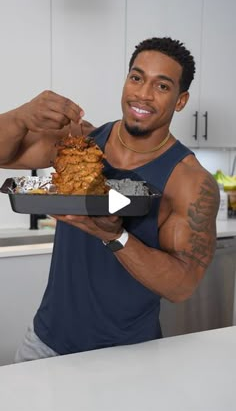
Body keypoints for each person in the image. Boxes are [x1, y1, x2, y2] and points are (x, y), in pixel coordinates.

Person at [0, 37, 219, 362]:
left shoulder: (191, 181)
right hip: (45, 343)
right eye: (136, 77)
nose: (143, 94)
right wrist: (21, 116)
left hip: (129, 356)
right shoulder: (80, 142)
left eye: (162, 86)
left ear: (181, 100)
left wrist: (115, 236)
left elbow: (182, 286)